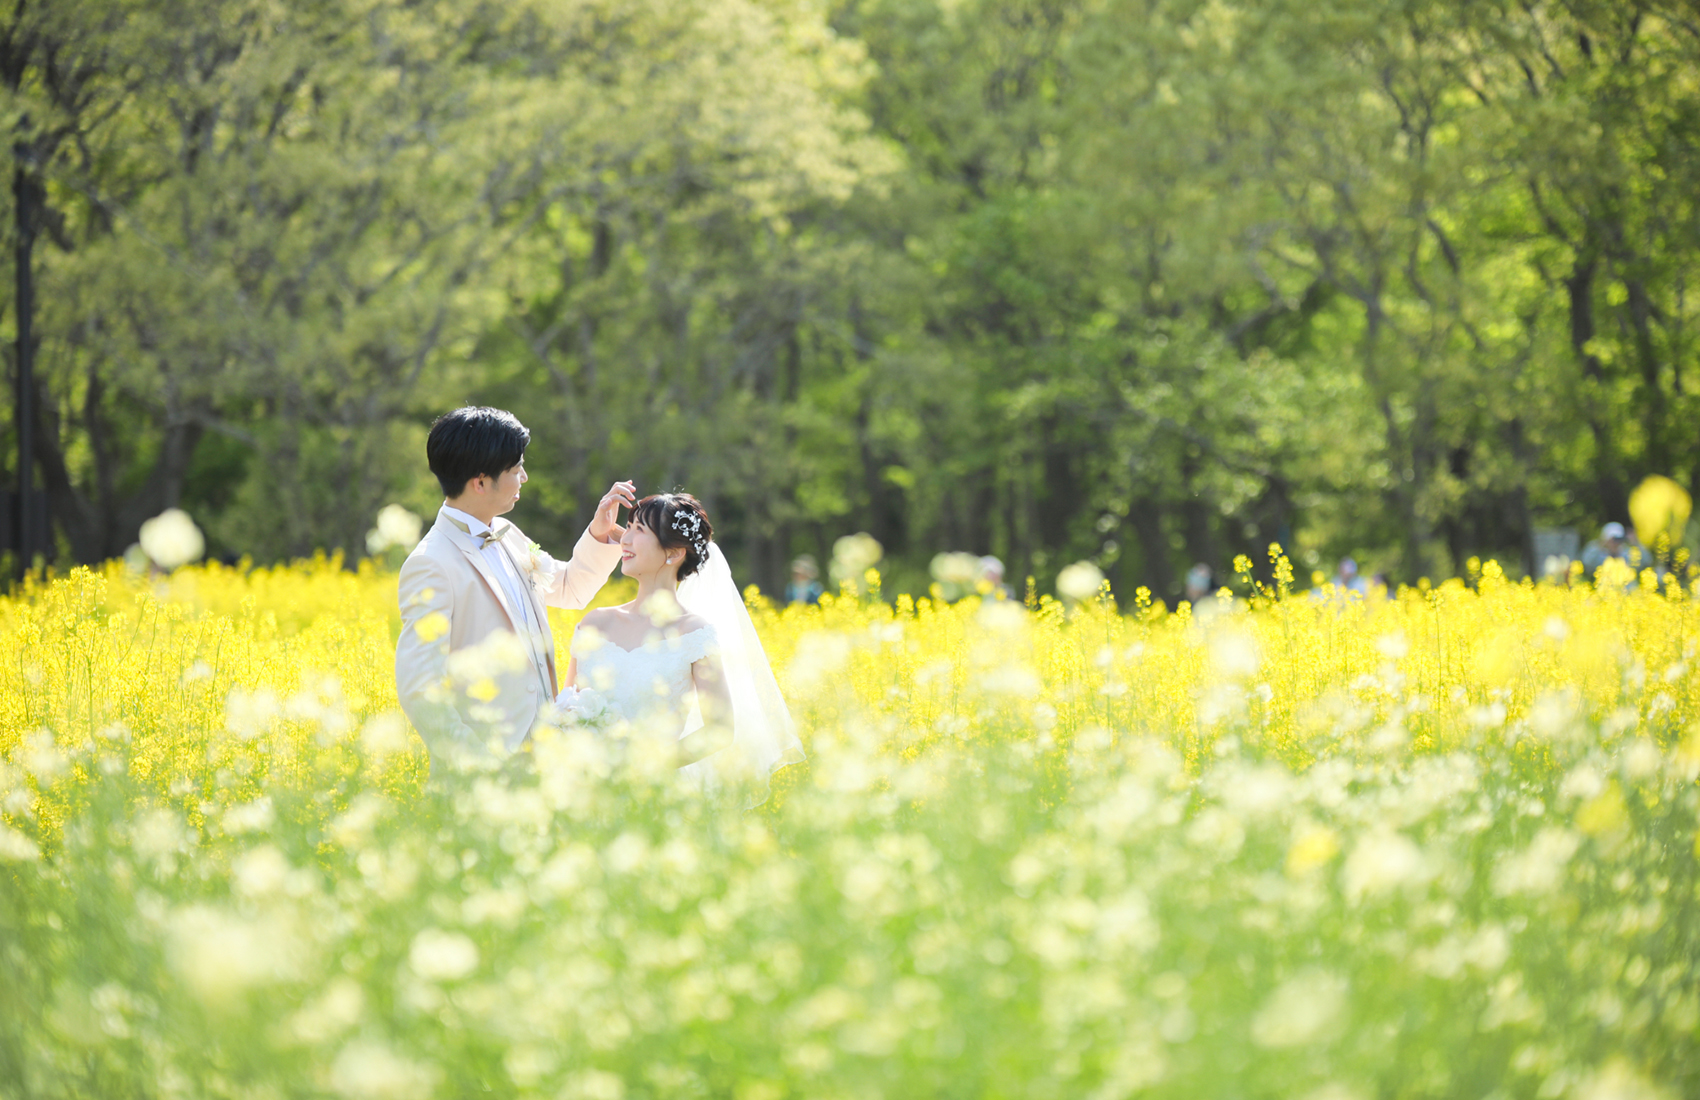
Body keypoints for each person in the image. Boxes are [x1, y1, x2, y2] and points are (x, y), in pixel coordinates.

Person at [394, 406, 634, 775]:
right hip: (485, 777)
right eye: (515, 468)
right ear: (480, 482)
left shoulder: (510, 537)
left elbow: (570, 589)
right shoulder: (431, 563)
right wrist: (482, 765)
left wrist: (601, 531)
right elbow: (419, 688)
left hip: (547, 765)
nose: (524, 476)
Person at [560, 493, 805, 802]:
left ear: (674, 553)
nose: (625, 538)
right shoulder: (595, 624)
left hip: (654, 793)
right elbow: (565, 703)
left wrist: (645, 768)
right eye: (629, 526)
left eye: (639, 531)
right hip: (582, 790)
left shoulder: (694, 633)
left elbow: (719, 728)